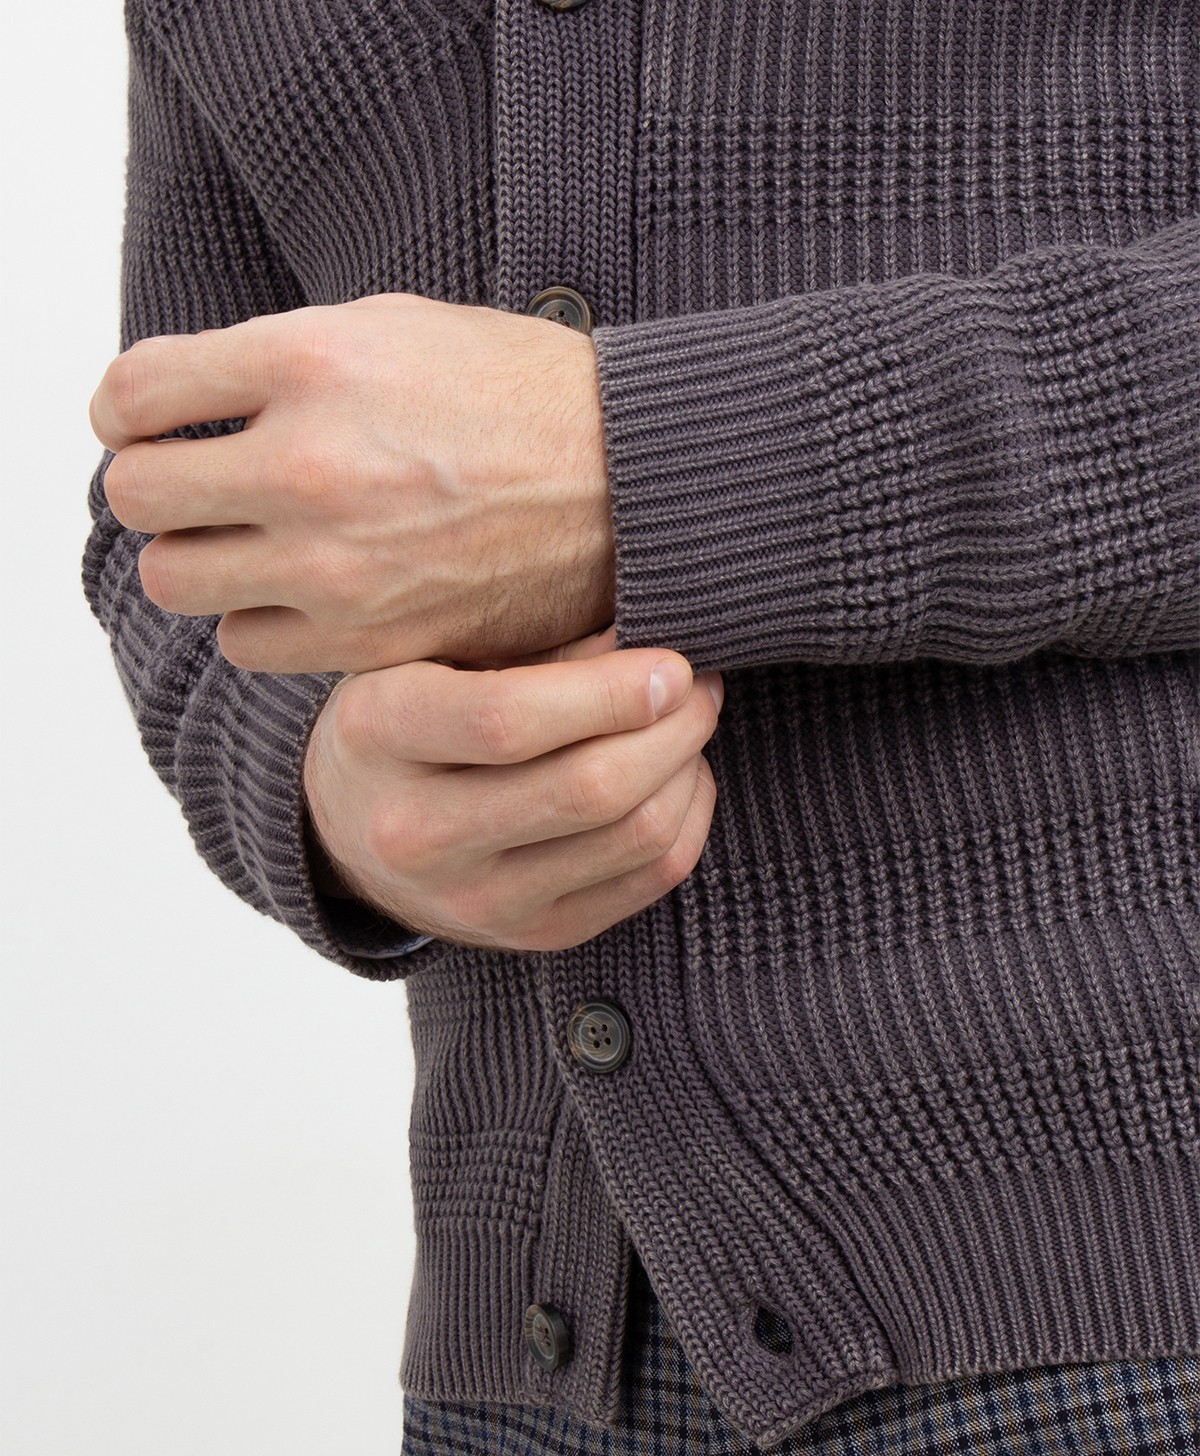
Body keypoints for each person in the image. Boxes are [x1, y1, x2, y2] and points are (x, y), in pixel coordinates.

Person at [85, 1, 1199, 1452]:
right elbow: (174, 498)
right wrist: (322, 778)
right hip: (526, 1360)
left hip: (1130, 1314)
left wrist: (649, 466)